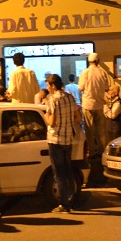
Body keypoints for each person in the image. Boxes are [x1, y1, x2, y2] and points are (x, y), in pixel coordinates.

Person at [43, 74, 81, 213]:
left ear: (53, 86)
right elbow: (78, 118)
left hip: (55, 139)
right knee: (67, 170)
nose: (47, 87)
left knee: (59, 173)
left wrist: (45, 115)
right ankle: (71, 198)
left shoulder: (52, 100)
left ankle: (63, 204)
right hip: (68, 139)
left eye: (48, 85)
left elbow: (51, 122)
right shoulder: (70, 97)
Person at [78, 53, 112, 159]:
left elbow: (80, 88)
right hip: (99, 105)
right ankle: (101, 151)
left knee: (89, 130)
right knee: (101, 131)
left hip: (87, 104)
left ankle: (92, 152)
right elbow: (107, 88)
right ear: (97, 61)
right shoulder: (103, 72)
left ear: (89, 61)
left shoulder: (85, 72)